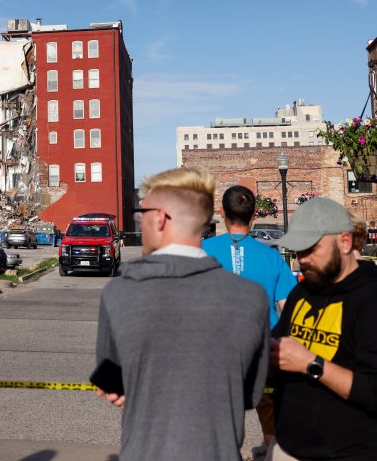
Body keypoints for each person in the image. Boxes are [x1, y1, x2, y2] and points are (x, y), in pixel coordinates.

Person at [95, 167, 269, 461]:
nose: (141, 220)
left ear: (160, 218)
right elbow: (251, 394)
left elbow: (111, 379)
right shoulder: (251, 298)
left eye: (142, 212)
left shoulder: (120, 293)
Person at [267, 197, 377, 461]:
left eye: (311, 249)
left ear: (345, 242)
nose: (302, 259)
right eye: (297, 251)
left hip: (351, 452)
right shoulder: (303, 291)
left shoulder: (370, 298)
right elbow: (278, 354)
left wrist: (311, 363)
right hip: (287, 447)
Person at [202, 185, 297, 454]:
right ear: (254, 214)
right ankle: (270, 451)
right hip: (262, 352)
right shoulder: (271, 256)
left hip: (215, 354)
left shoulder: (199, 251)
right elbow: (288, 308)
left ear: (221, 212)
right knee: (271, 426)